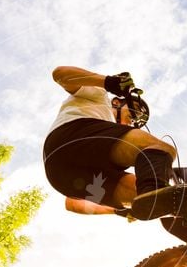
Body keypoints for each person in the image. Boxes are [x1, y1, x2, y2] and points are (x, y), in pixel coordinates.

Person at [43, 65, 179, 223]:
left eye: (137, 122)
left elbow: (71, 203)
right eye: (134, 111)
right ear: (117, 102)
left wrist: (116, 211)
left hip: (60, 175)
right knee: (162, 149)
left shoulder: (109, 141)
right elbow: (60, 74)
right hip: (70, 136)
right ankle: (158, 194)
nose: (134, 121)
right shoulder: (100, 97)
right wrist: (108, 82)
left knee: (145, 196)